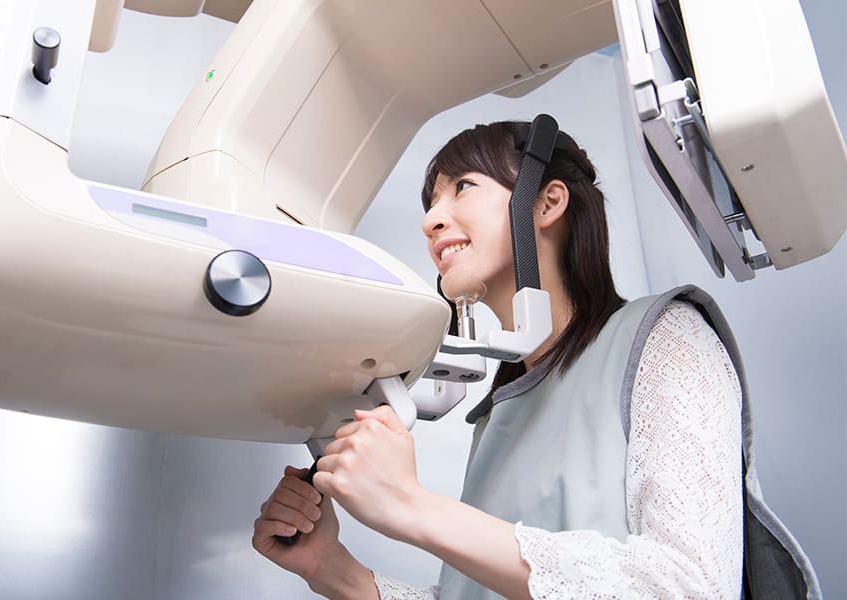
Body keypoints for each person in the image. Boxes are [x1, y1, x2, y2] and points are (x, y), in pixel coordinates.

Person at [251, 120, 818, 599]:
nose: (430, 220)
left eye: (462, 187)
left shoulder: (665, 337)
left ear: (546, 202)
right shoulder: (500, 410)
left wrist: (411, 505)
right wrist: (334, 570)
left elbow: (688, 587)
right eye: (430, 203)